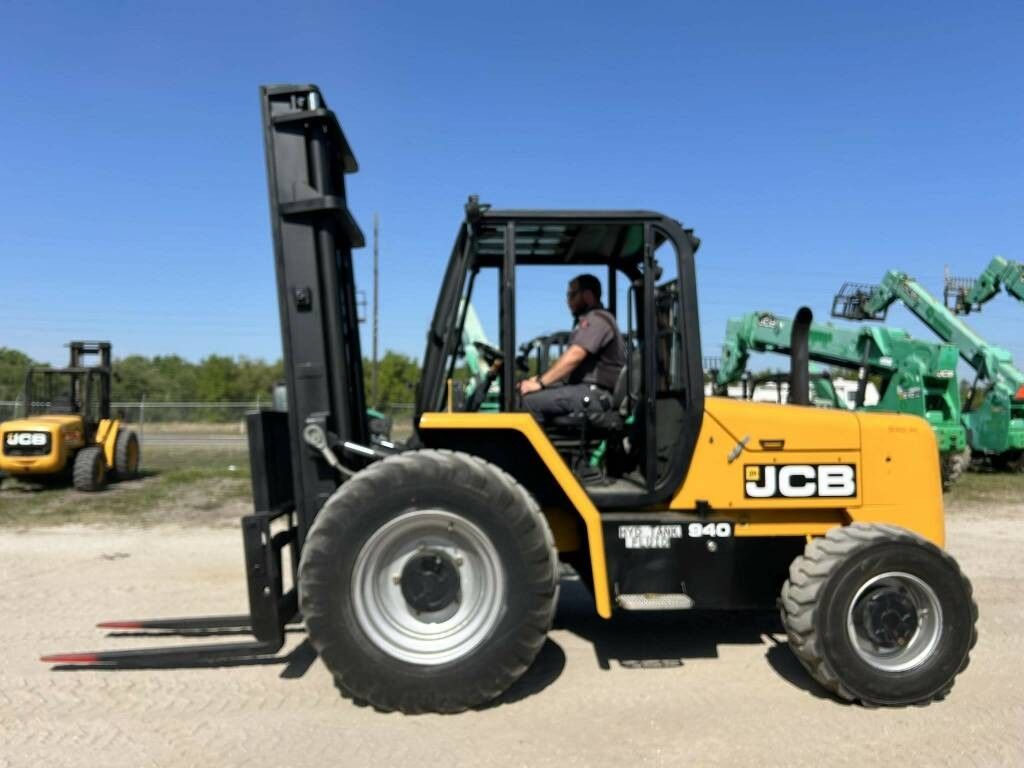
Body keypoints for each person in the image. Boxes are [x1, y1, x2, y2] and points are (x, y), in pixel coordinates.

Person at [518, 274, 626, 424]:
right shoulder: (589, 320)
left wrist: (540, 383)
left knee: (528, 403)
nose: (568, 301)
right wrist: (539, 379)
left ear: (588, 296)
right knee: (523, 395)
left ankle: (530, 448)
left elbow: (575, 355)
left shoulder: (597, 319)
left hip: (596, 394)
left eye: (572, 295)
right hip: (585, 389)